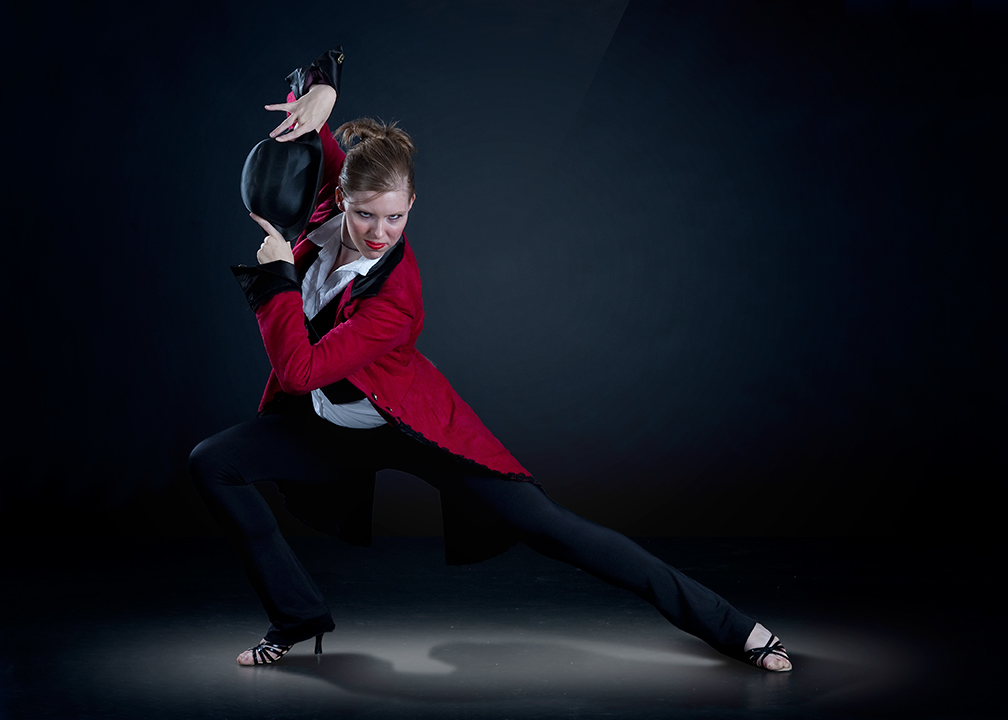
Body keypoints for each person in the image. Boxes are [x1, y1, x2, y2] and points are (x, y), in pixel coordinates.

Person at [189, 48, 792, 672]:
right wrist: (325, 91)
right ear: (340, 198)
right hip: (331, 429)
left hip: (408, 425)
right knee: (213, 463)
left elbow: (300, 371)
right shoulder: (327, 208)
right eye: (365, 214)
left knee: (551, 528)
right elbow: (312, 111)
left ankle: (736, 629)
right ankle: (298, 616)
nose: (379, 232)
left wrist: (277, 281)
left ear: (412, 205)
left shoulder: (395, 300)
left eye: (395, 217)